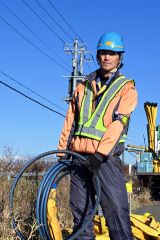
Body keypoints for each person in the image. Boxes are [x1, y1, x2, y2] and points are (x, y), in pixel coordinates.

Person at [58, 32, 138, 240]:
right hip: (77, 157)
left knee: (115, 212)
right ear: (97, 55)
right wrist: (62, 154)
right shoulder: (83, 86)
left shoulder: (126, 87)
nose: (107, 57)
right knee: (81, 212)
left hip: (105, 160)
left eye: (112, 53)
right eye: (103, 52)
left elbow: (118, 124)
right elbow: (70, 121)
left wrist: (100, 154)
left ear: (120, 58)